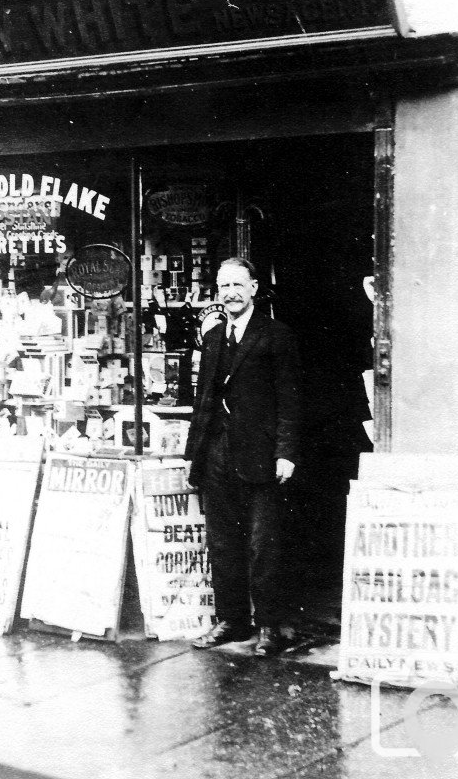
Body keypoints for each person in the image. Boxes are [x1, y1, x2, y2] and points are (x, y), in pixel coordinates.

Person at [185, 257, 301, 656]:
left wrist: (285, 453)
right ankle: (232, 621)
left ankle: (269, 625)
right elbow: (203, 400)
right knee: (222, 542)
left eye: (238, 285)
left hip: (261, 454)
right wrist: (194, 455)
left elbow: (290, 399)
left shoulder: (275, 335)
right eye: (223, 287)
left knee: (262, 544)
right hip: (217, 453)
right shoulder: (215, 338)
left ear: (254, 288)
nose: (230, 293)